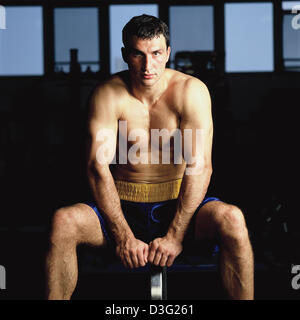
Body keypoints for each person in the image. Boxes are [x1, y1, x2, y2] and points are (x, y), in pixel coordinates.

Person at [45, 14, 254, 300]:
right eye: (138, 54)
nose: (148, 65)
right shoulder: (108, 94)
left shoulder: (190, 91)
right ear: (125, 55)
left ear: (168, 52)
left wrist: (175, 235)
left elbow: (200, 165)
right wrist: (123, 236)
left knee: (232, 219)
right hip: (122, 206)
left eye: (156, 54)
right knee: (63, 222)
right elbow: (97, 167)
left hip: (179, 204)